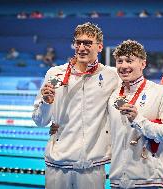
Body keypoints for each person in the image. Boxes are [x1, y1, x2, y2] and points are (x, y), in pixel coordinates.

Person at [32, 22, 119, 189]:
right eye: (78, 42)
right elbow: (39, 121)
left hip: (91, 165)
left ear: (100, 46)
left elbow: (137, 93)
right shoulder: (54, 73)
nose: (81, 47)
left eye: (87, 43)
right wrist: (46, 103)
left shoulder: (111, 76)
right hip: (57, 163)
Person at [108, 40, 163, 188]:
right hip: (118, 181)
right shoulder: (113, 96)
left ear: (143, 64)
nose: (123, 66)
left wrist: (139, 120)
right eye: (119, 61)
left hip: (150, 181)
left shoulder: (162, 92)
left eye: (129, 61)